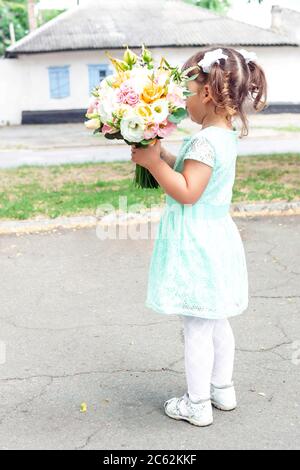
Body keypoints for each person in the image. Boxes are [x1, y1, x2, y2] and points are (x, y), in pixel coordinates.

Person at [131, 47, 267, 427]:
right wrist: (162, 154)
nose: (182, 103)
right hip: (215, 237)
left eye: (186, 93)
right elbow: (196, 175)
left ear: (207, 94)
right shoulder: (220, 136)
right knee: (215, 319)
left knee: (196, 327)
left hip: (196, 243)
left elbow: (188, 191)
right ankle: (222, 389)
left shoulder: (206, 141)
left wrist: (153, 163)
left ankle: (197, 403)